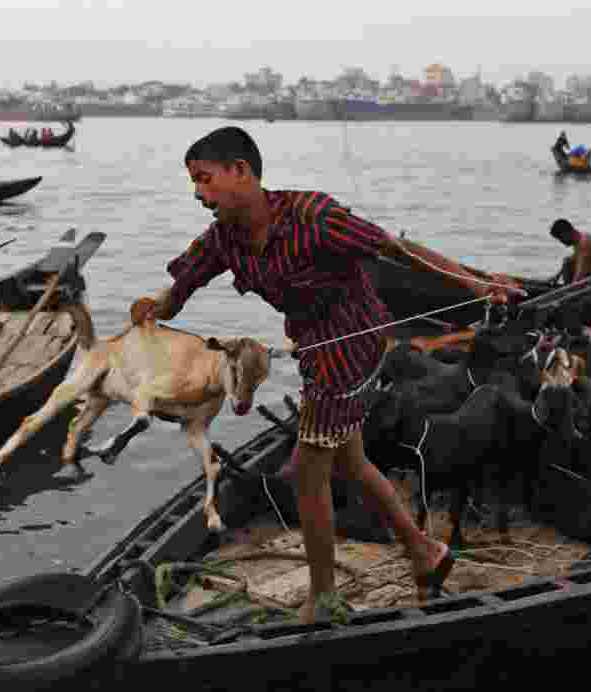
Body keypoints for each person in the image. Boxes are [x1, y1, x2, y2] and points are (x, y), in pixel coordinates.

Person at [143, 126, 516, 624]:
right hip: (315, 349)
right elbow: (180, 286)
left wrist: (478, 282)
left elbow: (397, 249)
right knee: (352, 460)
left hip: (354, 344)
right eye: (193, 183)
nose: (198, 193)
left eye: (205, 179)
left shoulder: (314, 216)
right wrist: (153, 308)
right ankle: (425, 552)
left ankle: (323, 597)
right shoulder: (223, 238)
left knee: (306, 471)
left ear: (242, 172)